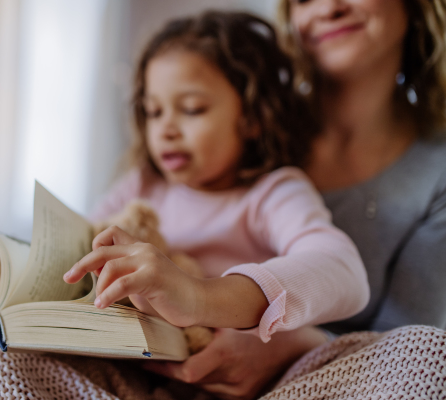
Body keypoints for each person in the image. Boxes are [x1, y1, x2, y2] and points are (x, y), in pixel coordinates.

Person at [0, 11, 372, 400]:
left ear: (252, 118)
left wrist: (199, 297)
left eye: (191, 109)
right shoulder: (141, 185)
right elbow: (84, 245)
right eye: (154, 112)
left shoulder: (272, 192)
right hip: (133, 378)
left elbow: (343, 270)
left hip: (250, 384)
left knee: (421, 349)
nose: (166, 130)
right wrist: (24, 270)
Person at [143, 0, 446, 398]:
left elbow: (406, 344)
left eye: (192, 109)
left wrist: (291, 345)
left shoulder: (436, 169)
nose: (328, 8)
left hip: (330, 377)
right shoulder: (234, 127)